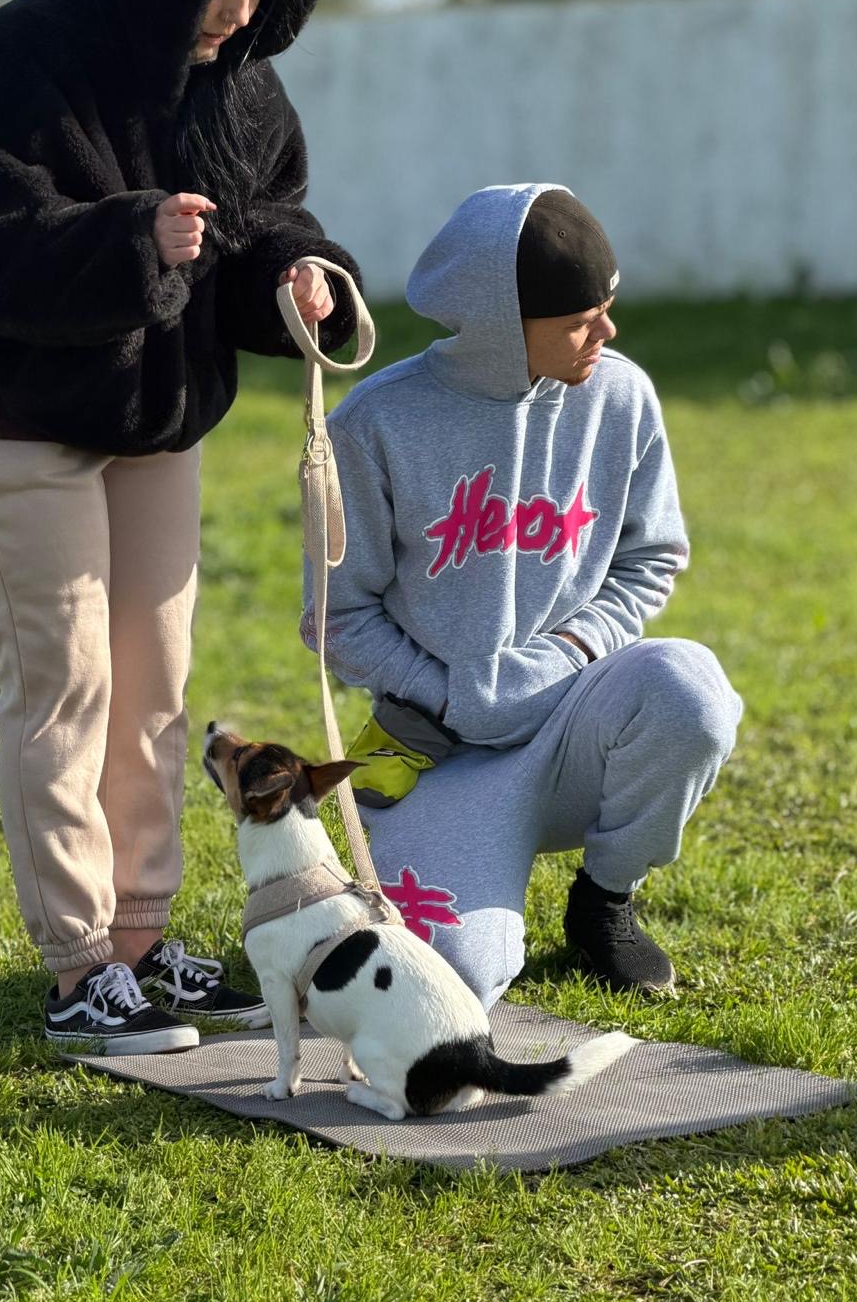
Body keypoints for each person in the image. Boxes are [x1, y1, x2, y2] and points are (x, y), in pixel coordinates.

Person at [0, 0, 362, 1055]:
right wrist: (130, 242)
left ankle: (143, 941)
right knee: (65, 687)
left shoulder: (240, 84)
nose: (239, 16)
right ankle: (80, 966)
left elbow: (269, 220)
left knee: (154, 684)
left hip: (155, 423)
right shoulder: (20, 55)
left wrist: (301, 277)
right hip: (12, 420)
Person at [304, 184, 742, 1009]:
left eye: (608, 308)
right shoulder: (374, 425)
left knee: (690, 694)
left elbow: (650, 559)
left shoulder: (621, 396)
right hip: (438, 749)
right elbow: (337, 614)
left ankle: (603, 901)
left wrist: (562, 657)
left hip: (580, 719)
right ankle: (419, 871)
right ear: (503, 324)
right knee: (450, 985)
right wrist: (452, 695)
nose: (605, 334)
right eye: (581, 319)